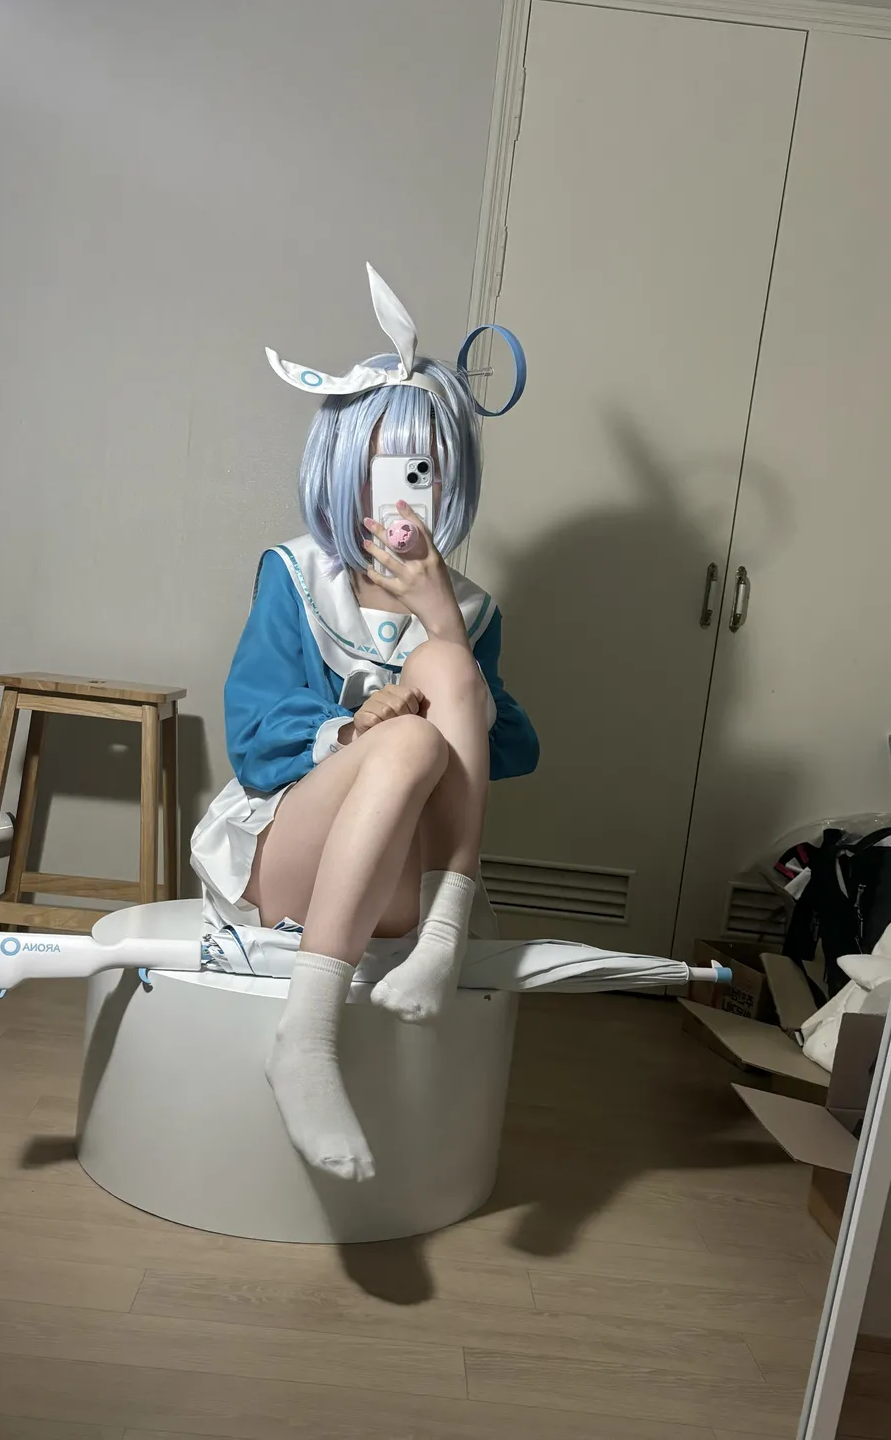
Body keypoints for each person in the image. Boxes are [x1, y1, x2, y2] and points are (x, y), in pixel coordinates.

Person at [190, 266, 538, 1182]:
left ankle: (441, 938)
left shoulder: (473, 609)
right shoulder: (297, 574)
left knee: (447, 673)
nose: (407, 495)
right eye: (389, 468)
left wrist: (443, 626)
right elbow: (255, 732)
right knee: (409, 738)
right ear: (346, 468)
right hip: (296, 860)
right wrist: (355, 729)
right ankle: (304, 1039)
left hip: (405, 882)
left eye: (426, 471)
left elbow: (510, 749)